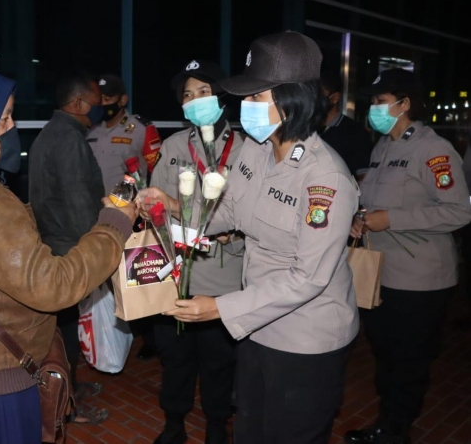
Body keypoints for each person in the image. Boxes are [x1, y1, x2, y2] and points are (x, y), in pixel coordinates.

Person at [140, 31, 360, 443]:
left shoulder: (325, 178)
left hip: (304, 338)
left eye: (256, 97)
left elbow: (308, 277)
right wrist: (172, 206)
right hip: (257, 324)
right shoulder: (257, 151)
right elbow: (229, 211)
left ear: (291, 98)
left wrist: (221, 308)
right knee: (249, 430)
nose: (246, 107)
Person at [0, 68, 138, 443]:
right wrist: (113, 224)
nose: (12, 126)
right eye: (3, 119)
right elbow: (54, 288)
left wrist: (24, 216)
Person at [344, 68, 471, 444]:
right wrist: (360, 219)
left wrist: (392, 220)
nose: (374, 109)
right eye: (373, 102)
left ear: (406, 104)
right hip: (383, 274)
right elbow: (373, 202)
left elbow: (459, 212)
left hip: (420, 280)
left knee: (408, 362)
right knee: (385, 355)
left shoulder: (434, 150)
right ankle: (387, 422)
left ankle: (396, 430)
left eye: (381, 102)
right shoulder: (382, 147)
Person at [149, 59, 244, 444]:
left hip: (223, 278)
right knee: (175, 358)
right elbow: (158, 211)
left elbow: (250, 211)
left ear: (220, 97)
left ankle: (217, 426)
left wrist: (229, 233)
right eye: (187, 95)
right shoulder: (173, 146)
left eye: (203, 92)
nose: (194, 100)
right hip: (177, 276)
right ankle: (174, 424)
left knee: (220, 361)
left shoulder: (246, 150)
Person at [28, 69, 110, 423]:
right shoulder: (70, 140)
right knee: (64, 333)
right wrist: (98, 251)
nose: (101, 107)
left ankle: (70, 385)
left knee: (61, 330)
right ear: (77, 103)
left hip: (50, 245)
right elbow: (79, 207)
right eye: (97, 101)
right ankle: (67, 402)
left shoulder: (49, 133)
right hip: (69, 250)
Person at [87, 73, 162, 360]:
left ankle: (150, 336)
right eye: (100, 99)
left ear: (122, 100)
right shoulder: (91, 130)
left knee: (138, 275)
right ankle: (119, 330)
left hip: (133, 214)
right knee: (108, 276)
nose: (104, 103)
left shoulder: (141, 129)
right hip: (101, 215)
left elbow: (155, 171)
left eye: (109, 99)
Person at [320, 72, 374, 182]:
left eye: (319, 95)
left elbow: (364, 179)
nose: (313, 100)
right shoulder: (305, 129)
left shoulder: (355, 133)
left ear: (335, 98)